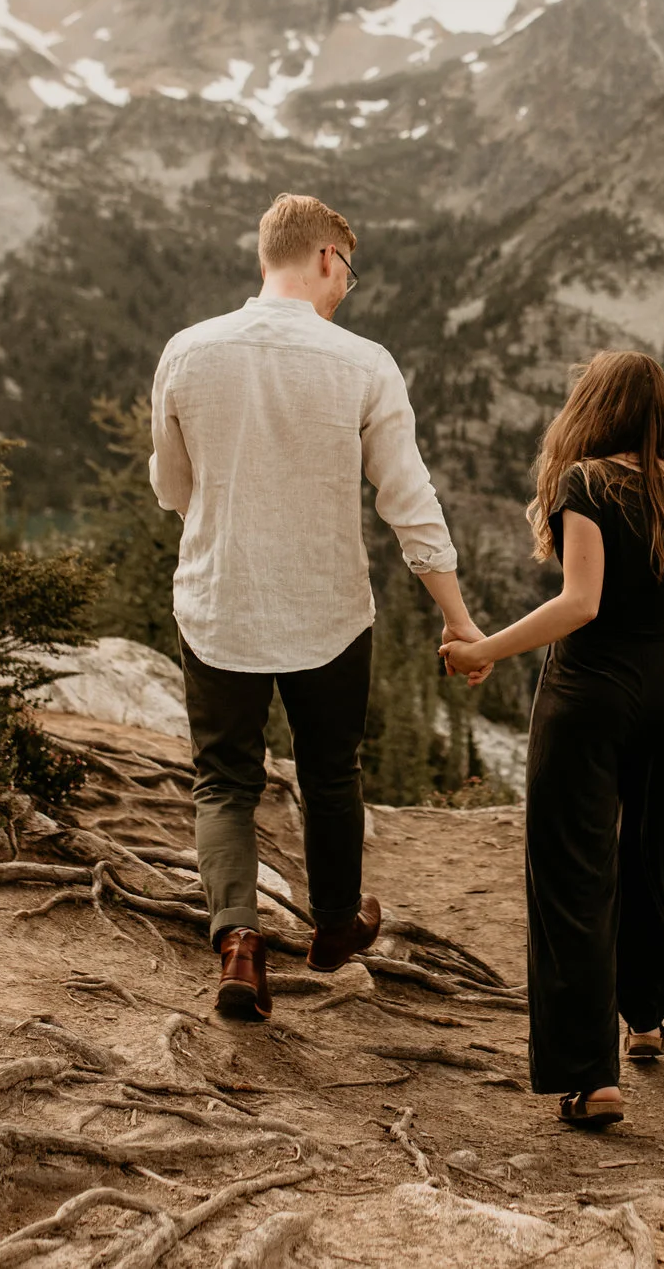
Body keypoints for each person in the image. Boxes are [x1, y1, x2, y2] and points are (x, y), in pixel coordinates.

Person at [151, 193, 482, 1022]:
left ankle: (238, 939)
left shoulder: (188, 351)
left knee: (224, 780)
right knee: (331, 770)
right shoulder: (363, 362)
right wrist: (458, 616)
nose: (347, 290)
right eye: (349, 273)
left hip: (219, 600)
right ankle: (334, 924)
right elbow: (408, 501)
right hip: (327, 608)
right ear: (328, 258)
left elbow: (170, 486)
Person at [440, 351, 664, 1130]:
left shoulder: (586, 483)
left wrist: (483, 650)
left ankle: (589, 1074)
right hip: (661, 699)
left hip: (587, 698)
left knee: (573, 874)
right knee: (645, 856)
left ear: (594, 406)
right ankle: (645, 1016)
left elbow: (580, 603)